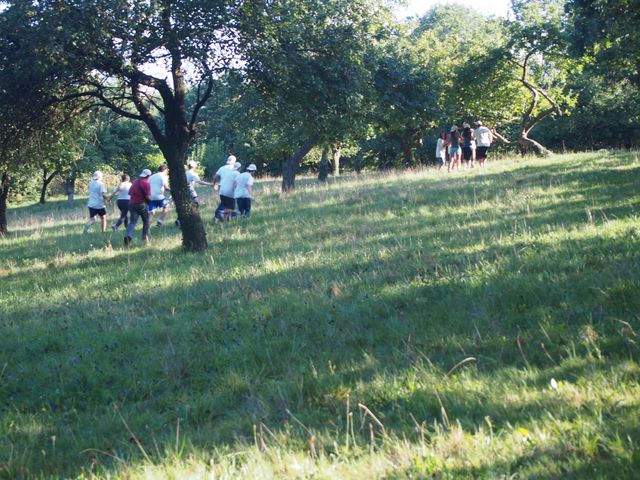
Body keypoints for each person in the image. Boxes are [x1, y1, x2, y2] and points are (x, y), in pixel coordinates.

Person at [124, 169, 152, 246]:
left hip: (132, 204)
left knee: (132, 222)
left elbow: (129, 192)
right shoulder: (146, 183)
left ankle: (128, 235)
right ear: (148, 176)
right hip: (141, 205)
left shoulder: (135, 182)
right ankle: (144, 237)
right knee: (146, 221)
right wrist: (152, 202)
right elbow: (148, 197)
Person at [213, 155, 237, 221]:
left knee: (224, 202)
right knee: (231, 205)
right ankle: (219, 215)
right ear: (234, 161)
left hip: (222, 187)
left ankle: (221, 217)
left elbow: (215, 177)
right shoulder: (234, 169)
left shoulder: (222, 168)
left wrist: (215, 184)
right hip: (230, 188)